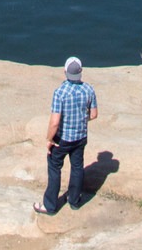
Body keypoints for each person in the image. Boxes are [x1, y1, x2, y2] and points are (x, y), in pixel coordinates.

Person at [35, 57, 98, 215]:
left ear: (65, 72)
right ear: (81, 72)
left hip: (62, 139)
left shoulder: (60, 92)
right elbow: (94, 114)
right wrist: (81, 118)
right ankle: (74, 201)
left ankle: (50, 205)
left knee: (55, 169)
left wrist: (50, 139)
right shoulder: (89, 89)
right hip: (80, 137)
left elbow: (55, 122)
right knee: (77, 167)